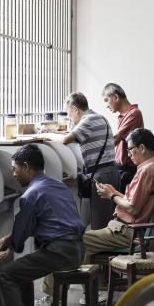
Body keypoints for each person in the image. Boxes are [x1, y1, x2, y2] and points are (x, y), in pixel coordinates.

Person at [37, 128, 154, 306]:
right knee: (86, 243)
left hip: (128, 232)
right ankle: (94, 293)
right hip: (131, 230)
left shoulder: (146, 171)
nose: (129, 154)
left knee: (67, 241)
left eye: (130, 149)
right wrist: (114, 192)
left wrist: (111, 197)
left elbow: (132, 207)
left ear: (142, 147)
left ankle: (52, 297)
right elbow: (137, 201)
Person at [0, 145, 84, 306]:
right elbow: (44, 222)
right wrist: (9, 239)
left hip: (60, 252)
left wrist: (10, 250)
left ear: (26, 167)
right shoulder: (57, 185)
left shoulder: (31, 194)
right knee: (21, 272)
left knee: (7, 274)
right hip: (76, 248)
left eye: (15, 169)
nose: (13, 174)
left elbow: (24, 226)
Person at [62, 92, 118, 230]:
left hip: (102, 175)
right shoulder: (101, 118)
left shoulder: (88, 121)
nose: (71, 120)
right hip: (110, 172)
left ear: (75, 109)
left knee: (100, 225)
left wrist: (45, 134)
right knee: (106, 221)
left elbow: (64, 140)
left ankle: (104, 252)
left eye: (69, 115)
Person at [101, 83, 144, 192]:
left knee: (122, 206)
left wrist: (97, 151)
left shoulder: (134, 113)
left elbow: (116, 139)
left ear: (116, 97)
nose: (106, 105)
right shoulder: (122, 116)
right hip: (121, 169)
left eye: (106, 100)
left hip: (128, 170)